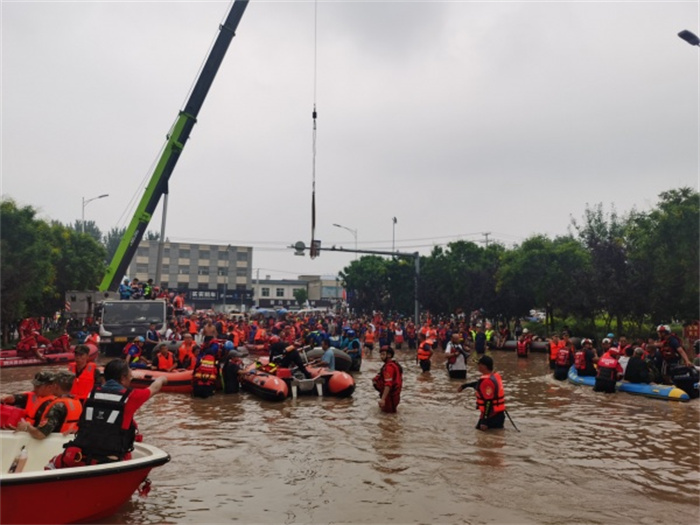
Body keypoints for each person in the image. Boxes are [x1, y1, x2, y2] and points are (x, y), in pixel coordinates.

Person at [47, 359, 167, 468]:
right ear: (123, 377)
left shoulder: (91, 394)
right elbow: (154, 388)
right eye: (130, 376)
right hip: (110, 460)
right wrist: (162, 378)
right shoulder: (131, 397)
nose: (131, 379)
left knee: (51, 465)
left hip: (82, 455)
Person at [15, 370, 82, 439]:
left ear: (56, 386)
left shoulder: (57, 406)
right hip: (70, 439)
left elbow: (40, 434)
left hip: (54, 444)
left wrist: (27, 426)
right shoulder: (77, 402)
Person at [458, 355, 506, 431]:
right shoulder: (494, 376)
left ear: (484, 366)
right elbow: (479, 384)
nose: (478, 366)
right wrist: (465, 386)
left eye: (479, 364)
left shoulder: (487, 381)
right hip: (499, 414)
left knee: (482, 438)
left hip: (491, 416)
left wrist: (485, 421)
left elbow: (488, 402)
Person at [373, 346, 403, 413]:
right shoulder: (392, 365)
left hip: (390, 396)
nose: (381, 356)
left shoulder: (389, 367)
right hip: (393, 395)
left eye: (383, 354)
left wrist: (383, 399)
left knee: (387, 415)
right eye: (380, 354)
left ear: (389, 355)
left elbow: (388, 384)